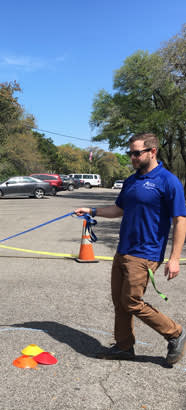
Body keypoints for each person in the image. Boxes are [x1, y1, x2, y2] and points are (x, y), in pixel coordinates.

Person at [75, 133, 186, 365]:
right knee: (119, 302)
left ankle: (175, 333)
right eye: (131, 153)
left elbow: (180, 221)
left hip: (146, 253)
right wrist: (92, 210)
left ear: (152, 152)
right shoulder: (131, 180)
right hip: (123, 250)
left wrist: (174, 258)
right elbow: (119, 209)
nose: (133, 157)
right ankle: (124, 347)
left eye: (137, 153)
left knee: (132, 302)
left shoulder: (168, 181)